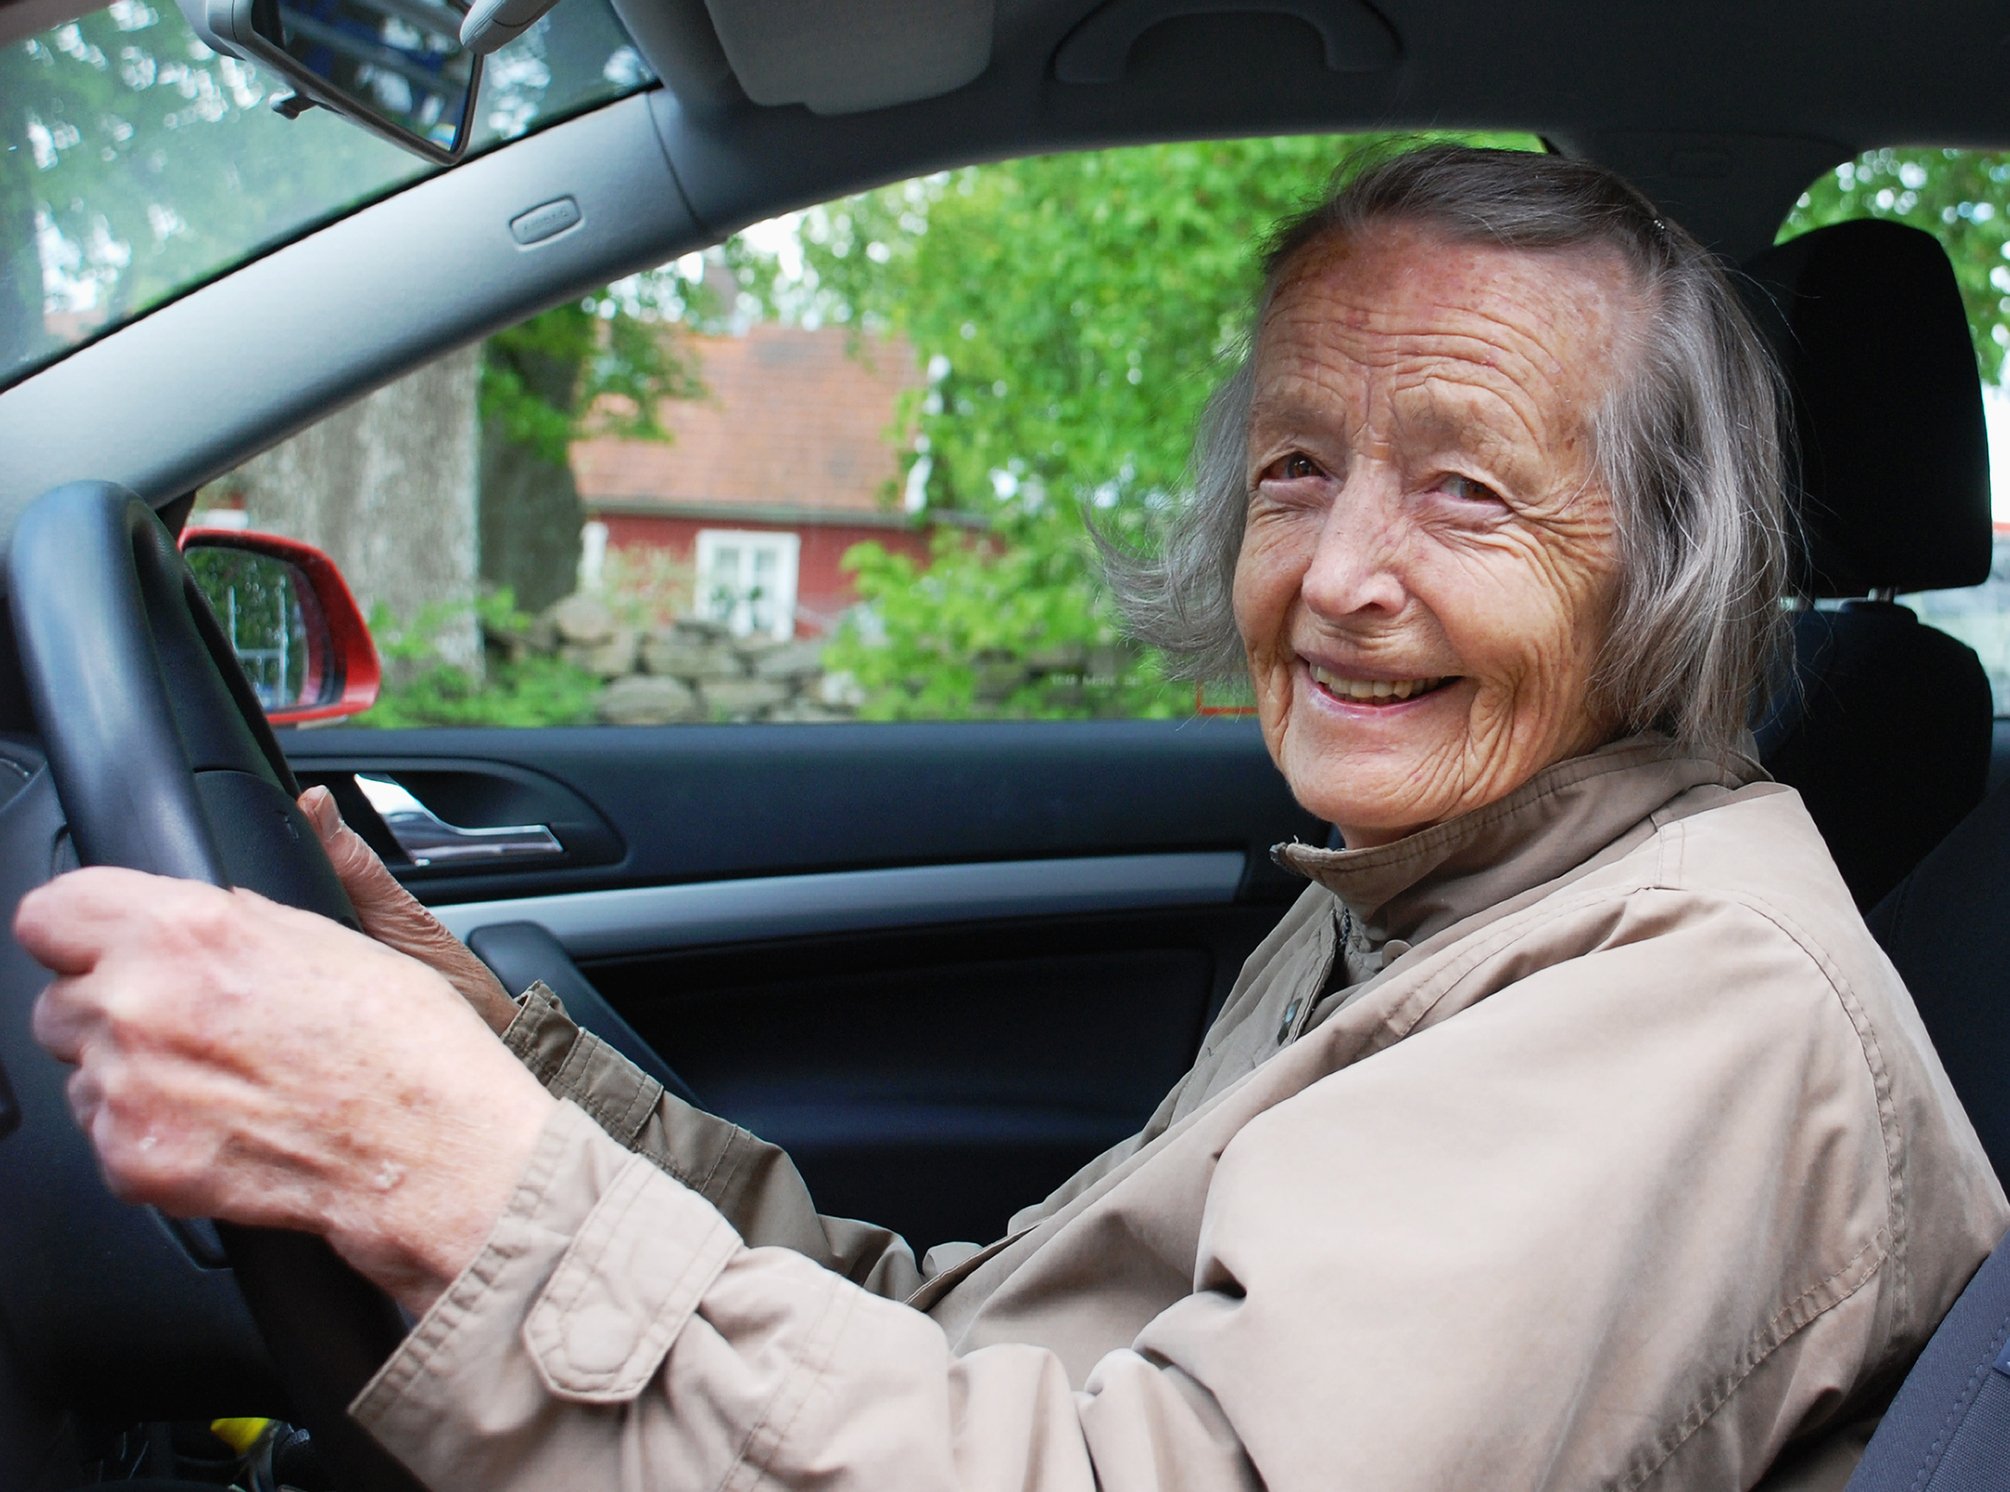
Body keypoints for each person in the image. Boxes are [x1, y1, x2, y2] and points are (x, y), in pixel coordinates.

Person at [19, 144, 2008, 1491]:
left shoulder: (1690, 1006)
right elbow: (985, 1342)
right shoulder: (1441, 885)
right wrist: (500, 1069)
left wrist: (463, 1190)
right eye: (1300, 468)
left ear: (1661, 565)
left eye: (1469, 493)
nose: (1335, 576)